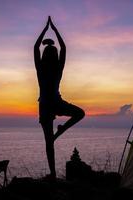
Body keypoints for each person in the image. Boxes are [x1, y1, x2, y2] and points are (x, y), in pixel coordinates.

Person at [34, 16, 85, 178]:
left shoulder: (41, 69)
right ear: (55, 55)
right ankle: (53, 173)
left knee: (49, 143)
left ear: (45, 55)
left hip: (47, 105)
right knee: (80, 114)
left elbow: (36, 47)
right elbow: (63, 48)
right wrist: (54, 29)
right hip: (54, 103)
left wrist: (46, 29)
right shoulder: (57, 68)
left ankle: (53, 174)